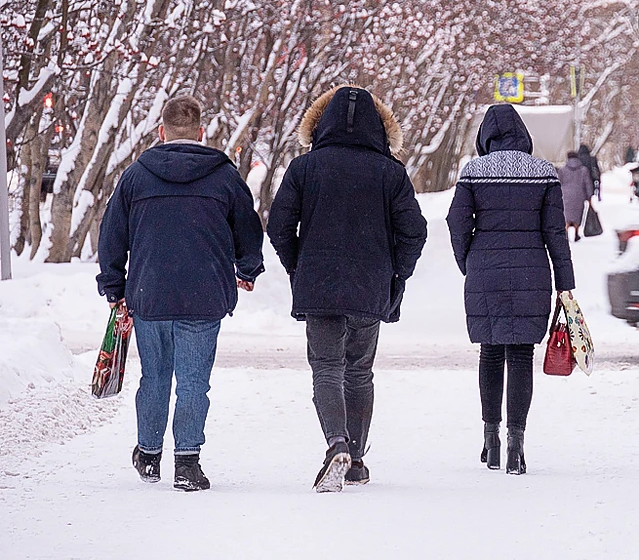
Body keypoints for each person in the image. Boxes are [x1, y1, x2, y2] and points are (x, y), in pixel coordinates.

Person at [97, 95, 264, 492]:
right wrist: (247, 268)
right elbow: (248, 227)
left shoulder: (137, 176)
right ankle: (187, 463)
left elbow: (112, 234)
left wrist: (113, 286)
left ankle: (149, 454)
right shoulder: (224, 176)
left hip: (149, 291)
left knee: (154, 377)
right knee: (193, 382)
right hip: (204, 294)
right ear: (202, 132)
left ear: (161, 131)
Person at [267, 85, 427, 493]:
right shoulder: (390, 172)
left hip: (319, 283)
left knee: (326, 367)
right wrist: (397, 275)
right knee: (358, 371)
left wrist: (297, 265)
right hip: (369, 286)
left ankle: (335, 443)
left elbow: (279, 226)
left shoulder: (305, 168)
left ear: (320, 125)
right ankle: (355, 460)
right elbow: (414, 231)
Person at [446, 104, 575, 475]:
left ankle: (491, 441)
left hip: (484, 271)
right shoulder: (543, 173)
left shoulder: (474, 172)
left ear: (485, 135)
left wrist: (468, 259)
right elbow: (555, 233)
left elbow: (457, 223)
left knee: (490, 353)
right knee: (520, 356)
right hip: (531, 273)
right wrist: (565, 283)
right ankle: (517, 446)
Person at [557, 151, 595, 242]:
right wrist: (589, 197)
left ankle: (565, 232)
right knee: (577, 215)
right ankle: (576, 233)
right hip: (579, 195)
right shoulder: (583, 170)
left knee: (566, 214)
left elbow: (558, 182)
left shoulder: (562, 170)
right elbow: (587, 184)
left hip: (565, 195)